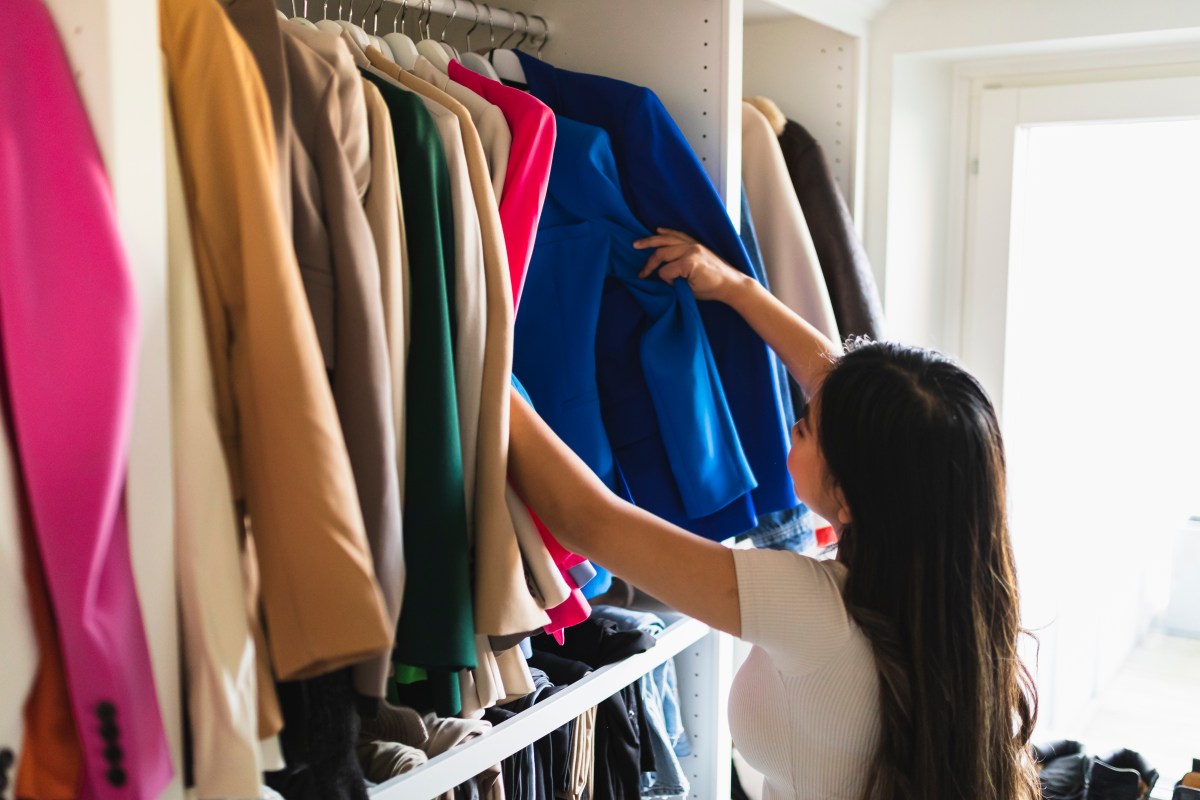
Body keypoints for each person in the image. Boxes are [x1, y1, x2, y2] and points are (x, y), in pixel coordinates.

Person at [506, 228, 1040, 800]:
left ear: (855, 496)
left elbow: (588, 520)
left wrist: (473, 353)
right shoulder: (960, 606)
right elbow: (843, 396)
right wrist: (736, 288)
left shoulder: (814, 608)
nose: (794, 421)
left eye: (807, 427)